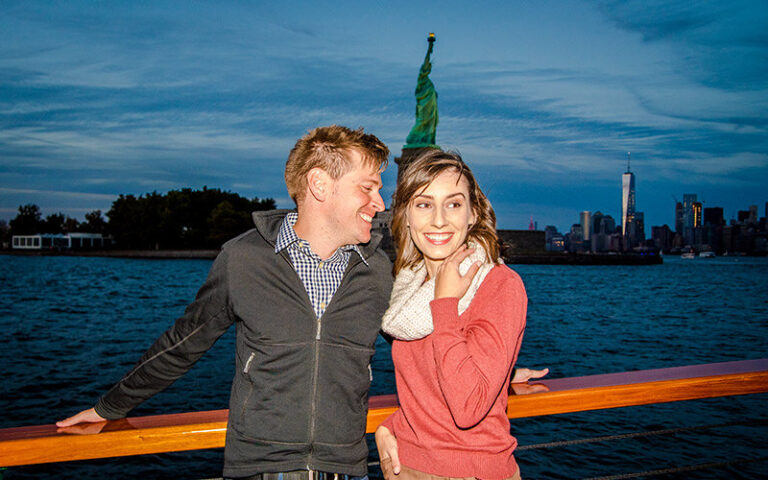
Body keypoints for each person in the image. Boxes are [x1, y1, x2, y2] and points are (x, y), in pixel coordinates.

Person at [57, 125, 394, 480]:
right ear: (320, 184)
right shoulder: (243, 259)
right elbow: (182, 344)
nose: (380, 203)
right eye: (367, 188)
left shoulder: (377, 271)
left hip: (347, 469)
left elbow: (420, 353)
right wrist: (109, 407)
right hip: (260, 470)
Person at [375, 149, 532, 480]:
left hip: (472, 472)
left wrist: (444, 304)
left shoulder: (500, 285)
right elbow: (423, 391)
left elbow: (469, 407)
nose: (439, 219)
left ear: (473, 214)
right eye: (424, 204)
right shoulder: (409, 287)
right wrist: (388, 427)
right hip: (406, 467)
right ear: (404, 214)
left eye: (454, 203)